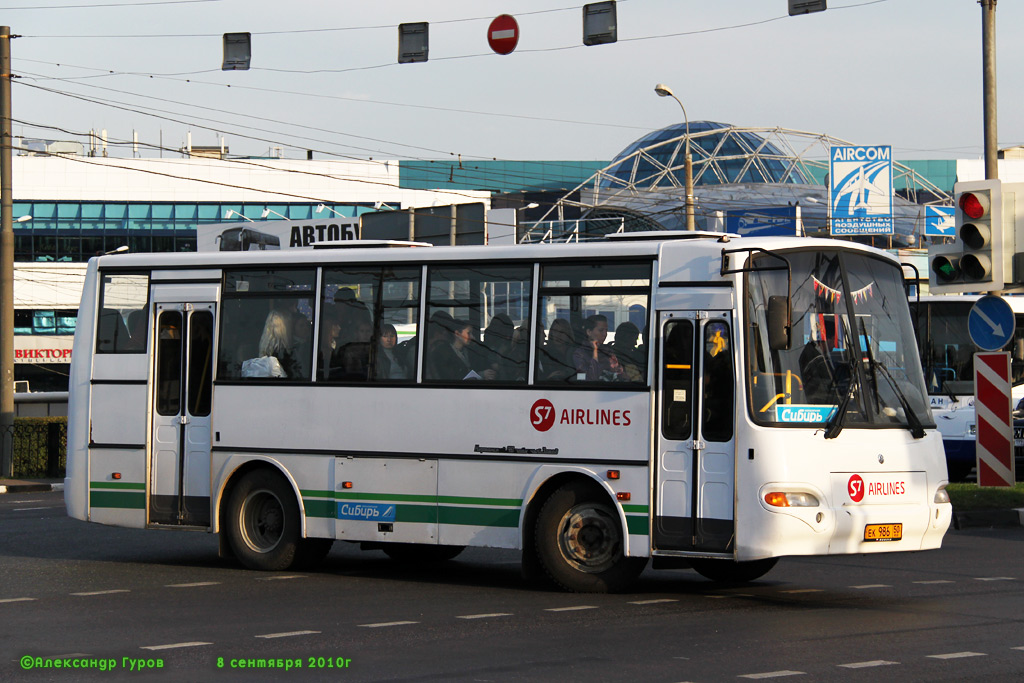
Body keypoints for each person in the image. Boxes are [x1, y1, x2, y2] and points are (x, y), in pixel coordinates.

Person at [573, 314, 626, 381]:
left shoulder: (608, 351)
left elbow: (618, 373)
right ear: (589, 332)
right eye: (601, 330)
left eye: (606, 330)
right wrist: (595, 353)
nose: (605, 334)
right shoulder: (580, 354)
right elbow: (592, 378)